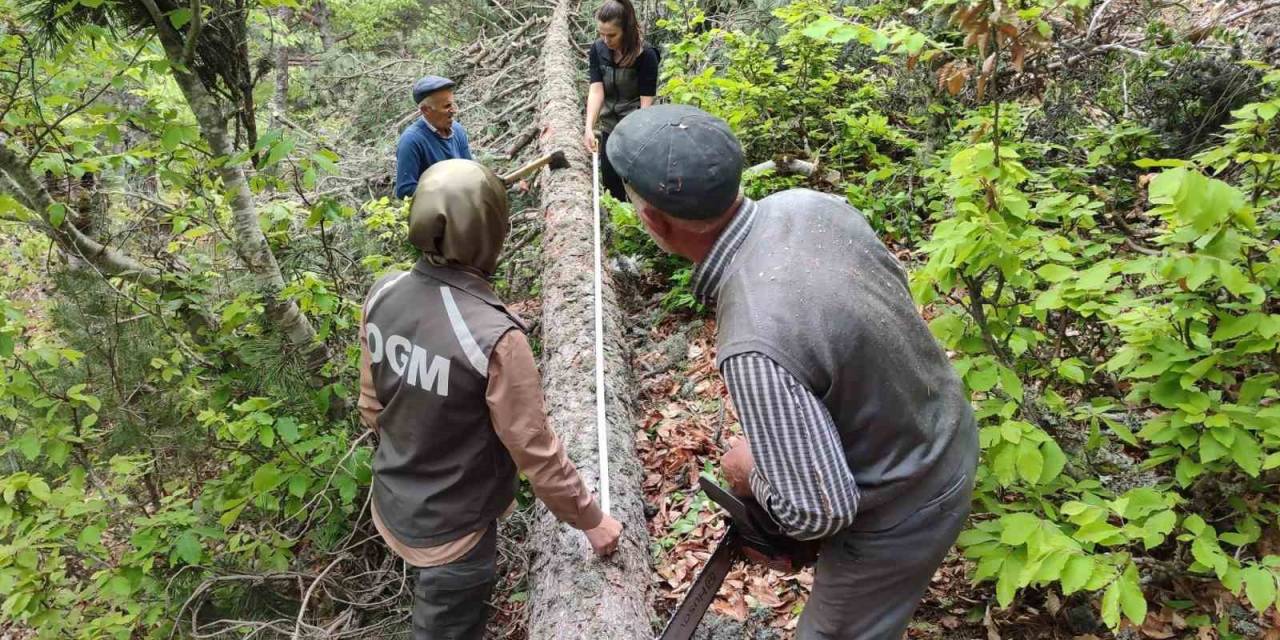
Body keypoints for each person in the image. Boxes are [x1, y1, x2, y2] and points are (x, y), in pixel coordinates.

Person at [606, 104, 979, 640]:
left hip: (906, 505)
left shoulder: (753, 339)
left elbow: (818, 511)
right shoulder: (813, 205)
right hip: (944, 433)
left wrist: (751, 471)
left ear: (652, 220)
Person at [357, 159, 623, 640]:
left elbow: (371, 405)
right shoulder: (495, 336)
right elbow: (534, 448)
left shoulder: (383, 293)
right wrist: (593, 520)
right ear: (489, 231)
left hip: (395, 499)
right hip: (457, 531)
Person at [583, 0, 659, 202]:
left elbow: (646, 103)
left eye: (612, 35)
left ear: (626, 30)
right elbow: (596, 90)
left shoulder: (646, 55)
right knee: (611, 183)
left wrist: (639, 137)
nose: (605, 40)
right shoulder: (597, 50)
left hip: (635, 127)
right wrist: (589, 127)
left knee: (636, 183)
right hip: (609, 127)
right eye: (601, 33)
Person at [394, 75, 473, 200]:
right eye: (447, 106)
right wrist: (447, 191)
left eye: (453, 104)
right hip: (434, 215)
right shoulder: (411, 141)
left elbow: (470, 168)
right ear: (426, 110)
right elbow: (404, 190)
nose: (453, 111)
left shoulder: (457, 130)